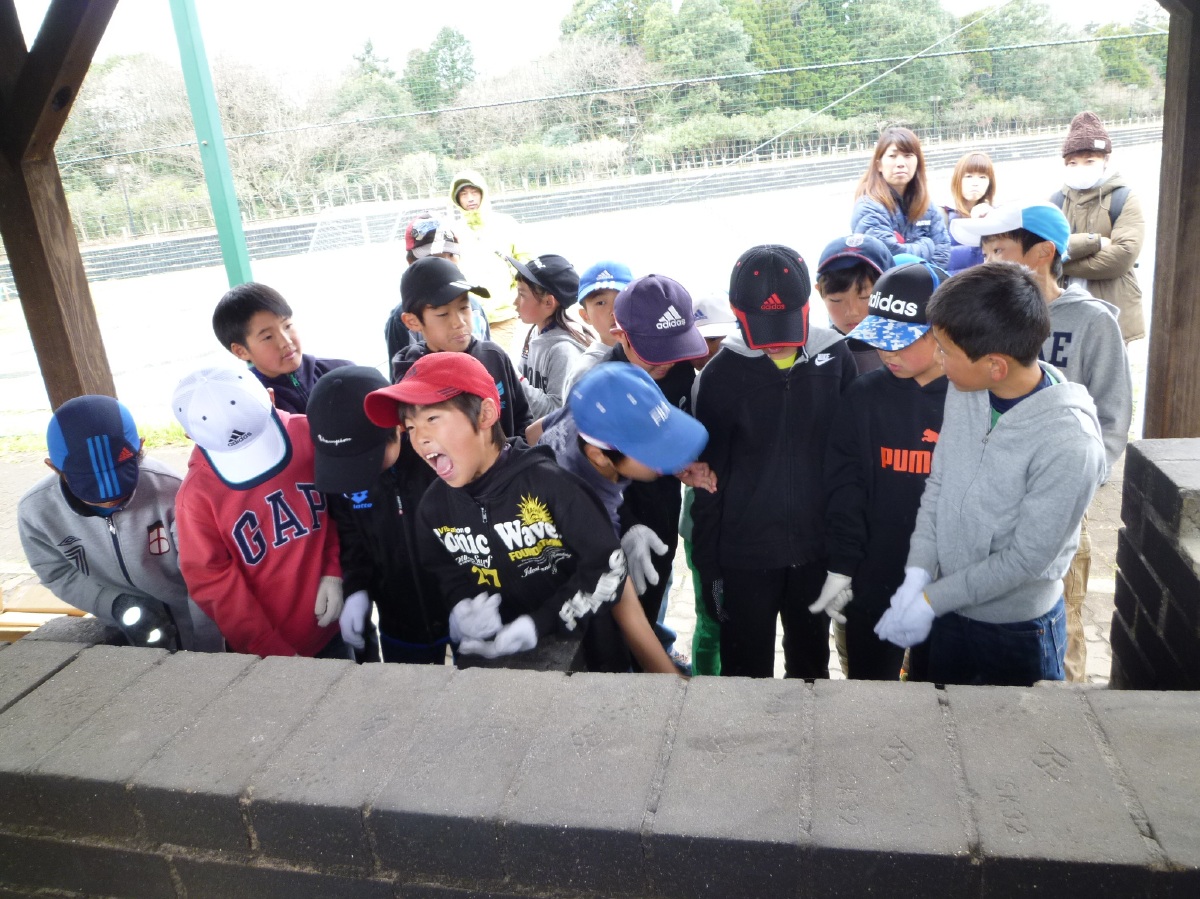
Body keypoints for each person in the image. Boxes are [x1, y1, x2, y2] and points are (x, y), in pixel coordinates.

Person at [874, 262, 1107, 687]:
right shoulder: (969, 387)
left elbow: (1024, 560)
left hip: (1016, 629)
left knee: (1010, 728)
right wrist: (918, 573)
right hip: (945, 605)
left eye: (945, 351)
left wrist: (929, 599)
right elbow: (939, 484)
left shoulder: (1070, 443)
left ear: (995, 366)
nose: (938, 360)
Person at [950, 201, 1132, 682]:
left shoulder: (1092, 323)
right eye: (985, 252)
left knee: (1062, 622)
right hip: (986, 505)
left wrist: (1074, 485)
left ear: (1043, 253)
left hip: (1059, 504)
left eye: (999, 250)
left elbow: (1112, 419)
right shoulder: (983, 317)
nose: (988, 262)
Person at [368, 352, 627, 671]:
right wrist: (461, 607)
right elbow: (444, 572)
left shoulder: (551, 486)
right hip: (495, 669)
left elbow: (608, 566)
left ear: (485, 414)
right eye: (410, 427)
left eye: (432, 419)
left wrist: (539, 624)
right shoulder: (434, 510)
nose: (419, 438)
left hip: (587, 661)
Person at [692, 245, 857, 679]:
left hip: (815, 552)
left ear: (808, 305)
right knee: (746, 675)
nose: (777, 339)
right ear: (736, 312)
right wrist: (710, 568)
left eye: (786, 324)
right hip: (744, 557)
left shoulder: (836, 357)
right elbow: (706, 481)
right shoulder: (718, 376)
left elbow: (849, 465)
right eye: (763, 329)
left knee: (811, 669)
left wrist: (846, 552)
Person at [819, 262, 949, 680]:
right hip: (875, 575)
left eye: (902, 342)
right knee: (869, 695)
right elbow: (845, 488)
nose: (887, 352)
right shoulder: (863, 396)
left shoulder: (972, 398)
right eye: (880, 340)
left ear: (943, 332)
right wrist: (842, 565)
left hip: (949, 582)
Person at [539, 363, 710, 675]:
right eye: (652, 451)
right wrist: (677, 691)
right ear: (600, 456)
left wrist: (670, 463)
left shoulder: (585, 415)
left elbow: (533, 432)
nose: (664, 457)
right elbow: (630, 618)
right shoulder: (587, 512)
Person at [17, 395, 222, 652]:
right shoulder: (37, 512)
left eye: (122, 484)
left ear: (141, 448)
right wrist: (115, 604)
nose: (109, 499)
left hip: (192, 623)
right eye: (89, 487)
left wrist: (207, 651)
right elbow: (58, 573)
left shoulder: (173, 491)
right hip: (122, 628)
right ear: (53, 467)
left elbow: (202, 575)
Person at [172, 366, 347, 659]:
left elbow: (340, 510)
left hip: (333, 622)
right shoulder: (196, 497)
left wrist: (334, 570)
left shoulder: (309, 434)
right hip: (267, 651)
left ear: (271, 397)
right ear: (190, 436)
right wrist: (266, 647)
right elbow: (210, 578)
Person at [307, 366, 446, 665]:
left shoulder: (439, 459)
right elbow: (351, 538)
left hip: (462, 608)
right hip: (398, 622)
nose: (354, 475)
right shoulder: (344, 482)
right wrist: (356, 589)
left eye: (363, 461)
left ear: (397, 427)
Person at [608, 275, 708, 649]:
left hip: (662, 518)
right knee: (617, 634)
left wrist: (683, 464)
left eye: (674, 348)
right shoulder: (601, 386)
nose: (667, 361)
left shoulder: (680, 371)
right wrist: (626, 526)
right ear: (621, 336)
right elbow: (582, 474)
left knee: (650, 612)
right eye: (655, 351)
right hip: (614, 528)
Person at [391, 256, 532, 440]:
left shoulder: (494, 356)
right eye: (443, 314)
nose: (459, 322)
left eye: (464, 307)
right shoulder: (411, 378)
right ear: (413, 321)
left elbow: (522, 419)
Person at [679, 291, 739, 676]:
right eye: (703, 341)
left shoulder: (747, 383)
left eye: (718, 340)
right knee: (712, 619)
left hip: (744, 528)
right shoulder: (681, 386)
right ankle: (705, 690)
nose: (710, 350)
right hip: (701, 527)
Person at [1052, 111, 1147, 343]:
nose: (1080, 167)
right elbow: (1044, 248)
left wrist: (1062, 263)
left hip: (1113, 311)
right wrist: (1094, 243)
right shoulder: (1055, 201)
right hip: (1064, 310)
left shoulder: (1124, 198)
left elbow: (1122, 257)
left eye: (1089, 161)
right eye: (1073, 162)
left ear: (1105, 160)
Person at [212, 282, 352, 414]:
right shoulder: (248, 403)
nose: (286, 341)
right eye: (268, 337)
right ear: (241, 351)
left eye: (287, 326)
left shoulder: (342, 371)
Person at [384, 215, 491, 365]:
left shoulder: (474, 306)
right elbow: (401, 374)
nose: (445, 263)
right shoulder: (401, 317)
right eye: (434, 257)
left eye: (451, 254)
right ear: (411, 262)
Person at [851, 127, 950, 267]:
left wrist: (927, 276)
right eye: (893, 156)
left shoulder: (927, 206)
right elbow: (889, 255)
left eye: (908, 155)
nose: (901, 163)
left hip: (929, 279)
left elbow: (943, 252)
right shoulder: (868, 207)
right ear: (879, 165)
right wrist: (927, 244)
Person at [450, 170, 526, 349]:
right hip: (468, 317)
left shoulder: (506, 223)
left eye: (474, 192)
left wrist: (518, 295)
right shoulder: (452, 230)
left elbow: (525, 262)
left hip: (504, 315)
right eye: (464, 194)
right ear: (456, 199)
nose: (470, 198)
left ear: (483, 193)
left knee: (501, 361)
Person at [507, 253, 590, 417]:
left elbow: (556, 413)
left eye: (522, 295)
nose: (515, 302)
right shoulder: (535, 332)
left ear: (548, 302)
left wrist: (514, 378)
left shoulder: (563, 351)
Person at [815, 234, 894, 375]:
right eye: (836, 300)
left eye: (865, 297)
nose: (852, 311)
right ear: (819, 292)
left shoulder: (913, 350)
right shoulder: (817, 355)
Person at [564, 260, 633, 392]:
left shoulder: (654, 354)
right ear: (585, 316)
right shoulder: (585, 372)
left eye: (621, 298)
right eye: (601, 303)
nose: (613, 311)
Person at [944, 151, 996, 274]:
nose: (975, 183)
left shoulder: (997, 216)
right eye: (968, 176)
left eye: (982, 177)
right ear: (957, 179)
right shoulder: (941, 216)